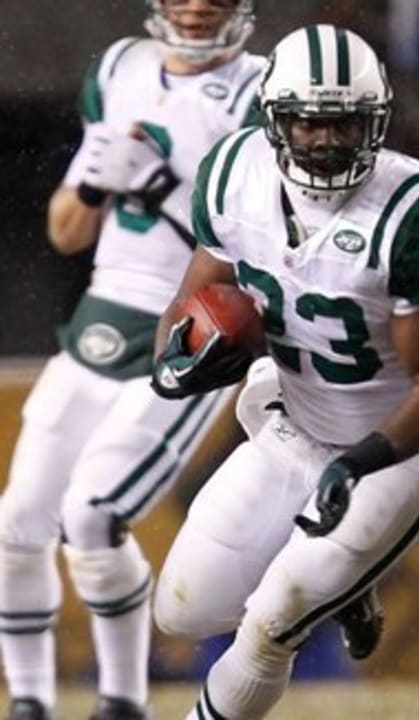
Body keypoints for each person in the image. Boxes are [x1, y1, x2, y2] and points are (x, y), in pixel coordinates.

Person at [146, 25, 419, 720]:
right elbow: (196, 293)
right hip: (294, 423)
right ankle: (352, 581)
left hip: (400, 450)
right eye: (308, 122)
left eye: (345, 122)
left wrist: (357, 465)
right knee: (182, 608)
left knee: (272, 622)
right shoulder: (233, 175)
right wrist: (175, 361)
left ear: (377, 121)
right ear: (276, 120)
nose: (327, 140)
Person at [0, 2, 262, 719]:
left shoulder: (263, 92)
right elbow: (64, 231)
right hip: (100, 318)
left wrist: (163, 190)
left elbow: (264, 239)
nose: (198, 6)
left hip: (190, 326)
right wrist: (94, 183)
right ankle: (29, 701)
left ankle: (122, 700)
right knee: (17, 523)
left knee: (91, 516)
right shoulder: (119, 69)